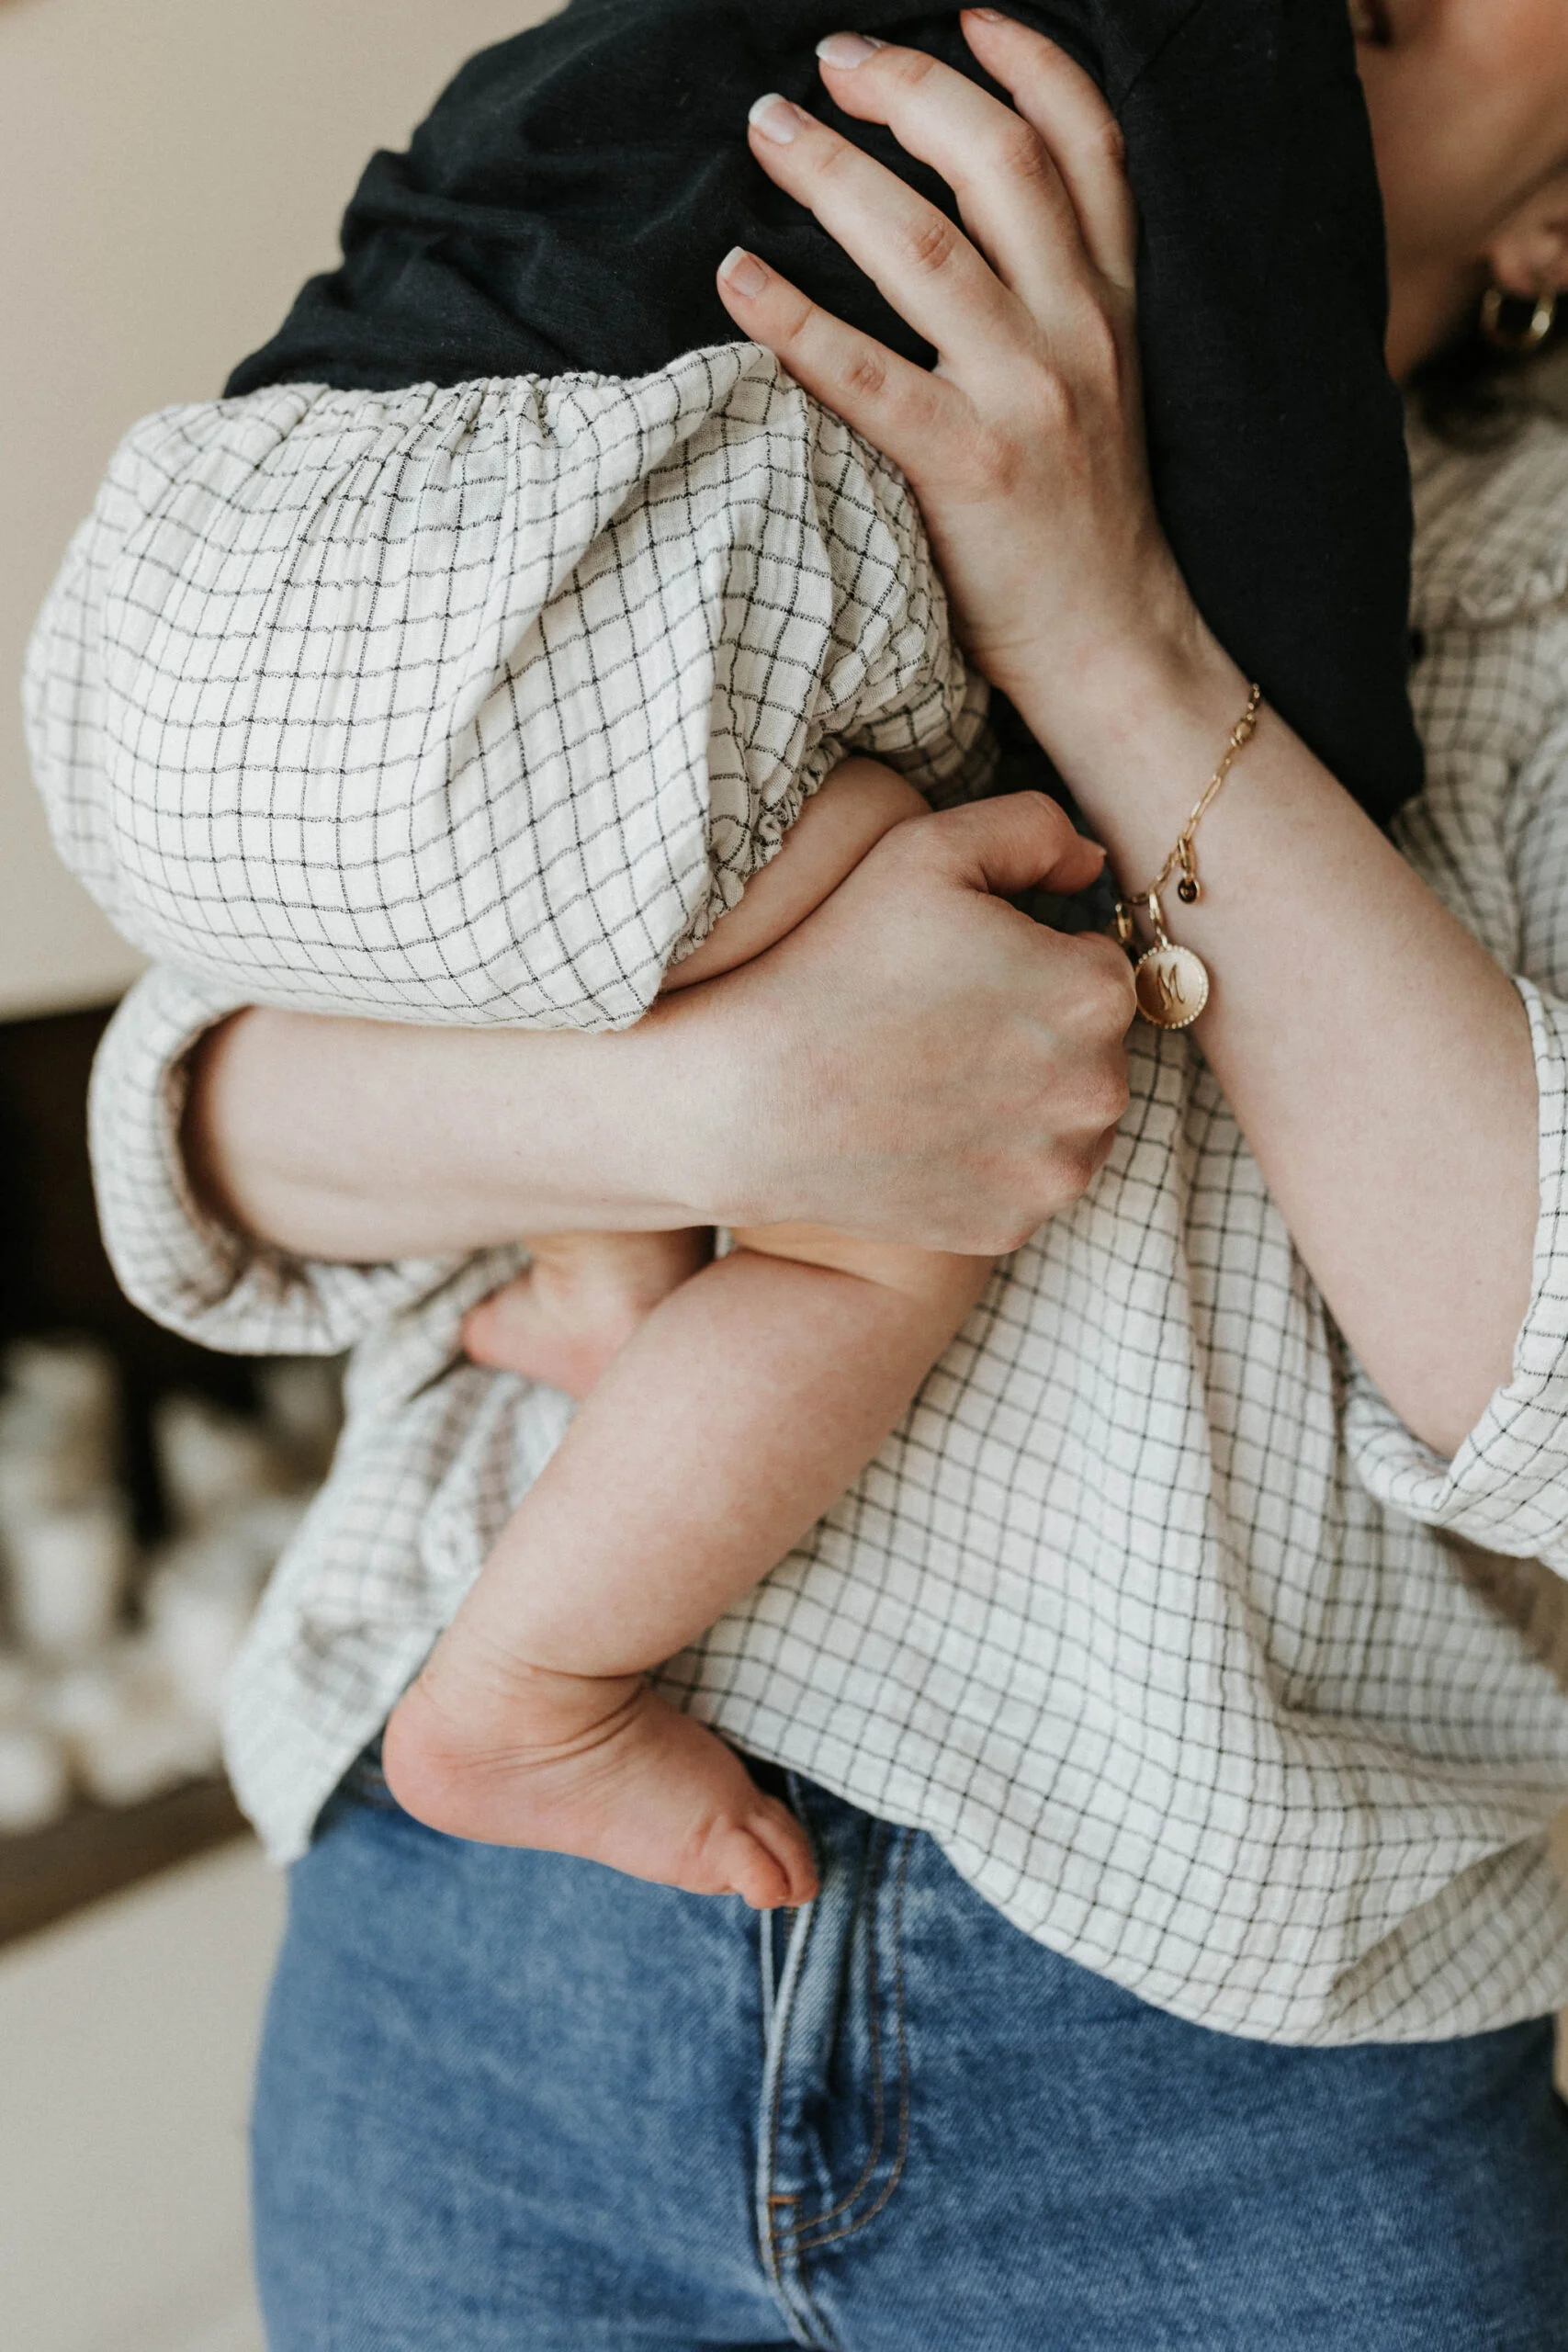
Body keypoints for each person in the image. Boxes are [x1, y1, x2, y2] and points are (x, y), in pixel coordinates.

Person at [28, 5, 1568, 2346]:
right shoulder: (785, 308)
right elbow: (209, 1113)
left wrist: (1105, 617)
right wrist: (702, 1114)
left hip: (1239, 2081)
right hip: (469, 2006)